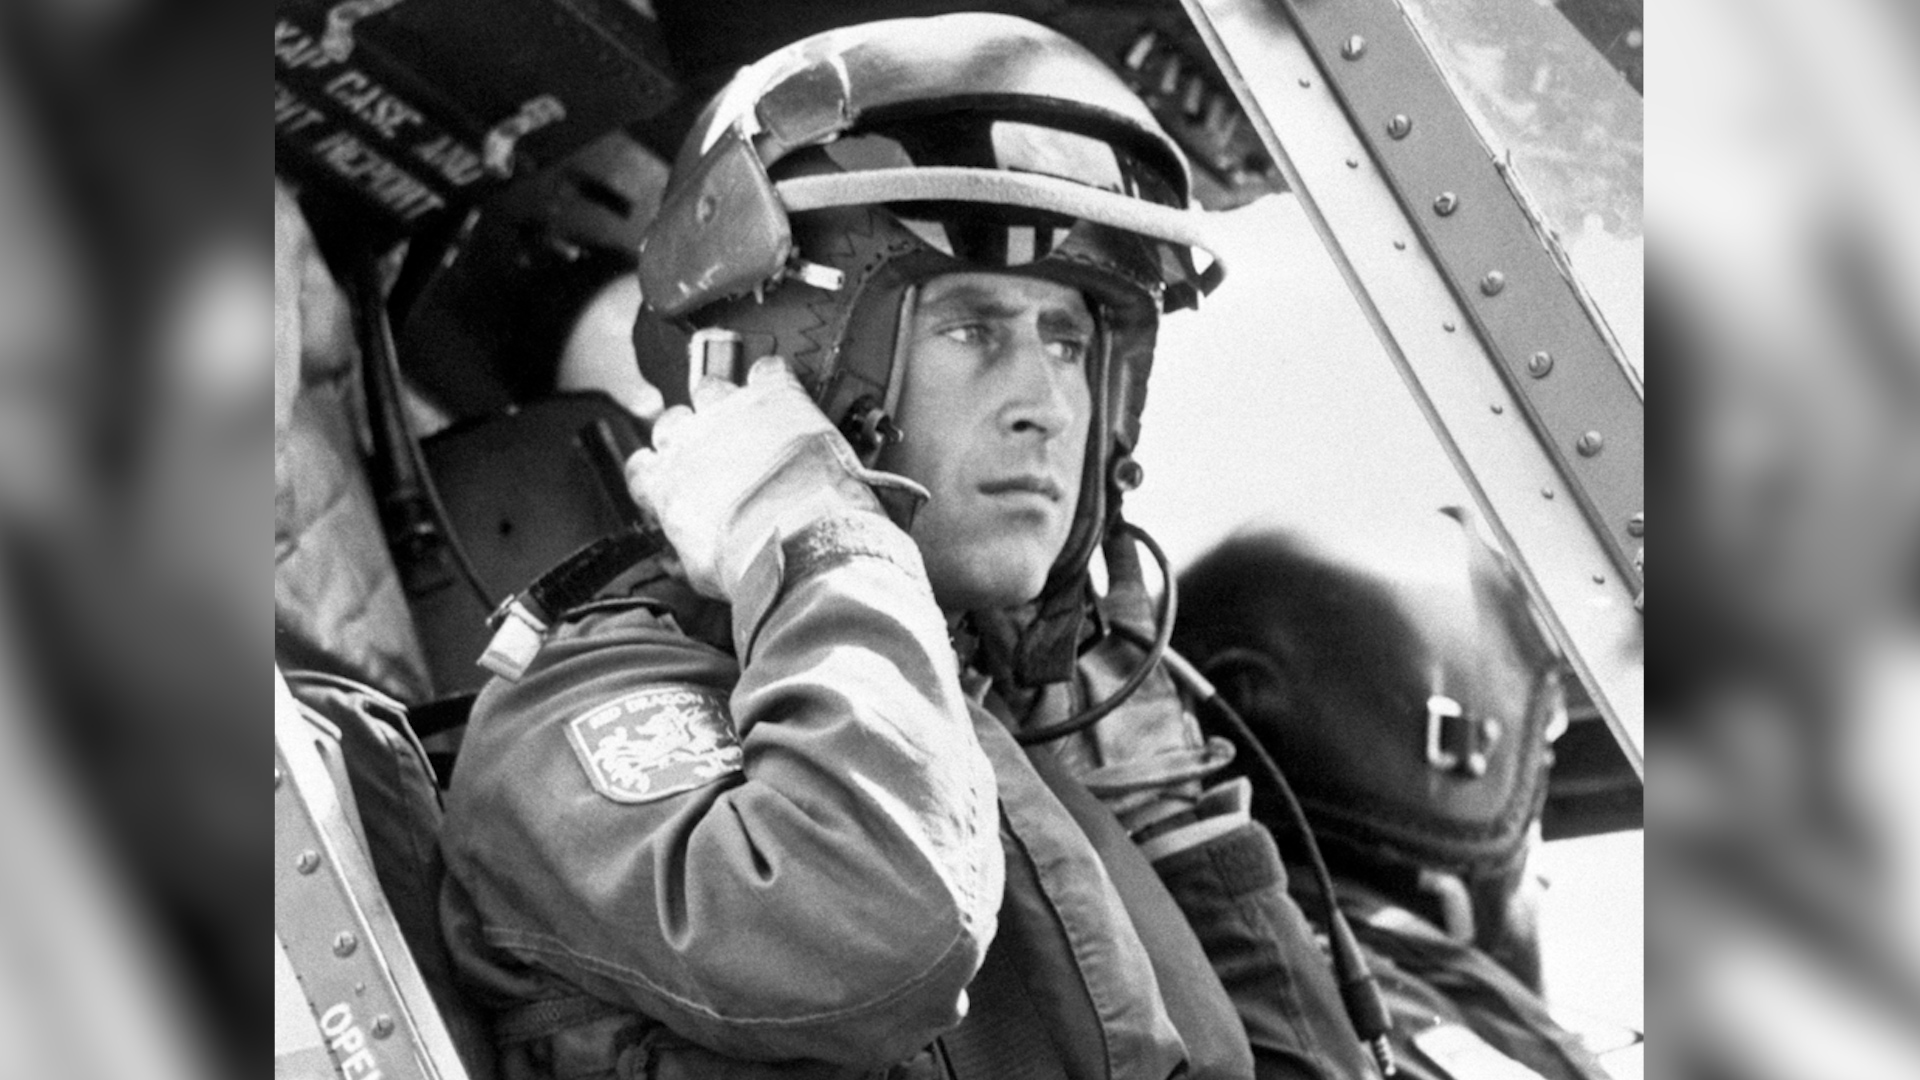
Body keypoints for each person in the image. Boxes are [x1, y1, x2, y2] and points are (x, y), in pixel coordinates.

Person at [438, 13, 1372, 1080]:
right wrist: (808, 521)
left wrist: (1182, 831)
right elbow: (873, 942)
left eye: (1068, 342)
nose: (1046, 408)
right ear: (793, 359)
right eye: (973, 331)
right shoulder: (589, 707)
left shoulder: (1008, 735)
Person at [1173, 509, 1618, 1080]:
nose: (1542, 866)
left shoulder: (1235, 969)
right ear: (1451, 751)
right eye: (1543, 746)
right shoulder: (1374, 1014)